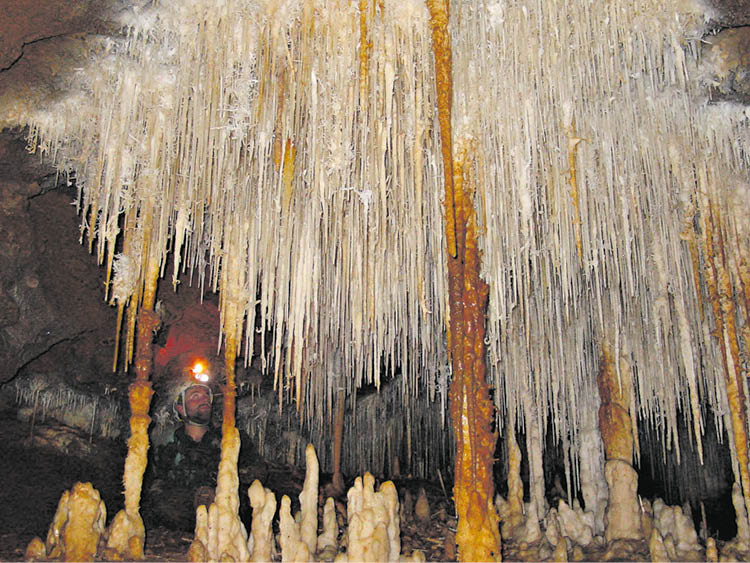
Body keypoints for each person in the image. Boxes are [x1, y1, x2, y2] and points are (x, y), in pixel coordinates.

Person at [143, 361, 266, 531]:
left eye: (206, 396)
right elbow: (153, 485)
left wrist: (224, 487)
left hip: (225, 522)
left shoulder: (232, 438)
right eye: (195, 396)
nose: (203, 399)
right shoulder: (165, 445)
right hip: (177, 522)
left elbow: (257, 471)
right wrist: (192, 497)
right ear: (180, 408)